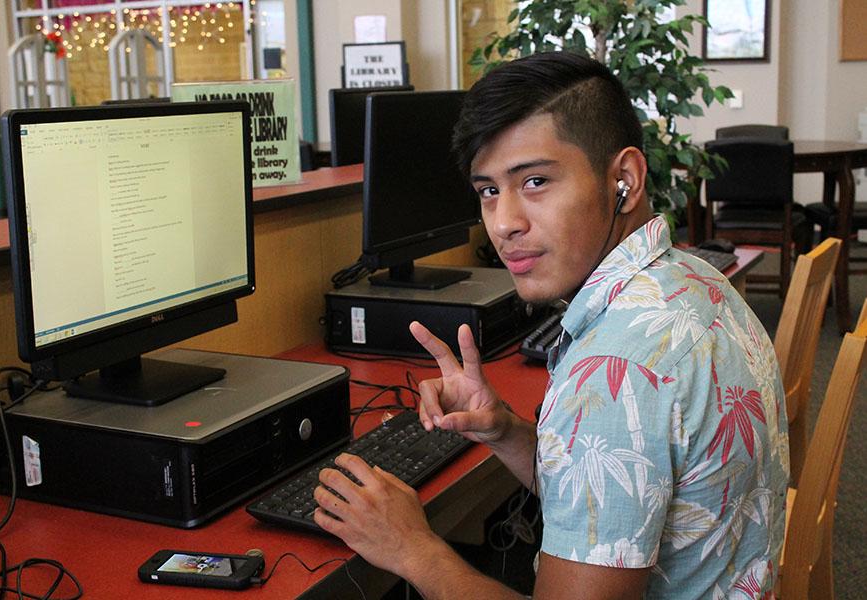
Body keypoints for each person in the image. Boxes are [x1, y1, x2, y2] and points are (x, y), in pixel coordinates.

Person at [312, 51, 789, 599]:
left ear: (625, 181)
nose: (504, 223)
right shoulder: (692, 281)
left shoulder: (617, 369)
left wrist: (412, 549)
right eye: (489, 190)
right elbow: (618, 501)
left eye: (535, 181)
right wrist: (503, 431)